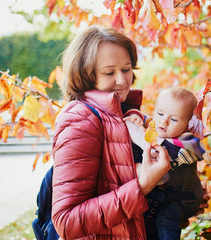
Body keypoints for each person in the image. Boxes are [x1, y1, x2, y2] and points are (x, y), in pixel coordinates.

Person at [51, 25, 172, 239]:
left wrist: (180, 201)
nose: (122, 80)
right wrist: (142, 185)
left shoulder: (125, 112)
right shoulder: (80, 119)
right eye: (109, 72)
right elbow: (66, 221)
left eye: (126, 69)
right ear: (86, 75)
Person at [124, 87, 207, 240]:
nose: (164, 121)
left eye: (174, 119)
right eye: (160, 113)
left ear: (188, 125)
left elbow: (151, 147)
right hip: (169, 195)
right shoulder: (160, 129)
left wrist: (130, 127)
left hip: (185, 199)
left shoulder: (184, 144)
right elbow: (145, 118)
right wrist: (135, 116)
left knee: (165, 219)